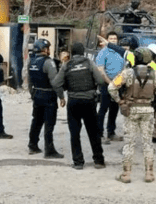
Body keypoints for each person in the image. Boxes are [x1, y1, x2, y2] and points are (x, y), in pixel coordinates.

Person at [109, 47, 156, 183]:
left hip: (131, 110)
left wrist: (119, 101)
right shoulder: (155, 74)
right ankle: (149, 173)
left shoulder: (127, 73)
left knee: (129, 143)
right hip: (148, 110)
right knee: (147, 143)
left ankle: (126, 174)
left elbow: (111, 87)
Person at [55, 42, 110, 170]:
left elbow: (56, 83)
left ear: (71, 53)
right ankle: (99, 161)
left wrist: (63, 93)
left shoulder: (66, 65)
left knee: (74, 133)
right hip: (89, 101)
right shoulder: (89, 63)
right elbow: (100, 80)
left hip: (73, 102)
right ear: (83, 52)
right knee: (93, 132)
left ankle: (78, 162)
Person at [27, 39, 66, 158]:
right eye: (48, 48)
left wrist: (32, 94)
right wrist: (61, 96)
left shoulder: (31, 61)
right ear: (44, 49)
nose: (49, 50)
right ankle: (49, 150)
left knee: (36, 121)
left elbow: (29, 81)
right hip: (48, 96)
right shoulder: (48, 62)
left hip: (37, 94)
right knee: (49, 123)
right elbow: (55, 82)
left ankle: (32, 145)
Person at [96, 31, 126, 143]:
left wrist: (120, 82)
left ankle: (111, 133)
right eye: (111, 38)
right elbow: (101, 71)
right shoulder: (103, 53)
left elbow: (124, 68)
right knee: (103, 109)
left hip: (118, 85)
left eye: (115, 38)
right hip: (106, 84)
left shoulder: (121, 52)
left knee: (114, 109)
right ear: (107, 40)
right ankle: (99, 134)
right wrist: (110, 83)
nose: (113, 40)